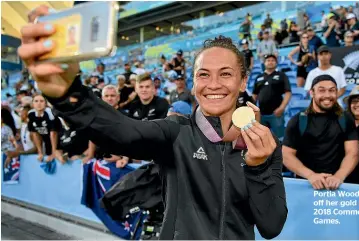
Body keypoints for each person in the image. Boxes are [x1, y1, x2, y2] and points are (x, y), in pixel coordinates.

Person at [19, 10, 287, 238]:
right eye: (204, 75)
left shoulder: (264, 145)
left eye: (226, 74)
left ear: (242, 82)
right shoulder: (176, 132)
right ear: (194, 85)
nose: (214, 84)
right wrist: (68, 94)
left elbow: (271, 226)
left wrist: (258, 168)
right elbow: (122, 132)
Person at [283, 75, 359, 190]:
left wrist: (339, 176)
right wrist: (311, 175)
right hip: (306, 186)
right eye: (321, 90)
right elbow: (287, 155)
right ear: (312, 93)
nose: (327, 95)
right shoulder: (298, 121)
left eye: (332, 90)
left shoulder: (345, 119)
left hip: (338, 186)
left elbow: (352, 153)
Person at [253, 54, 291, 139]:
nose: (270, 62)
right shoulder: (259, 77)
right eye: (268, 60)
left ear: (276, 63)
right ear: (264, 63)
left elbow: (288, 93)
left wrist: (282, 108)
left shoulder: (282, 75)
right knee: (263, 138)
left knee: (280, 137)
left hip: (276, 114)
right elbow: (254, 95)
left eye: (273, 60)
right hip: (261, 114)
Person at [27, 94, 59, 162]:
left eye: (41, 101)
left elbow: (53, 134)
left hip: (59, 143)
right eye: (36, 101)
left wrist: (54, 152)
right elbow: (35, 134)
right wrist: (40, 152)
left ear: (46, 103)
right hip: (47, 142)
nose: (39, 103)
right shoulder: (31, 114)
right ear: (32, 104)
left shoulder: (50, 113)